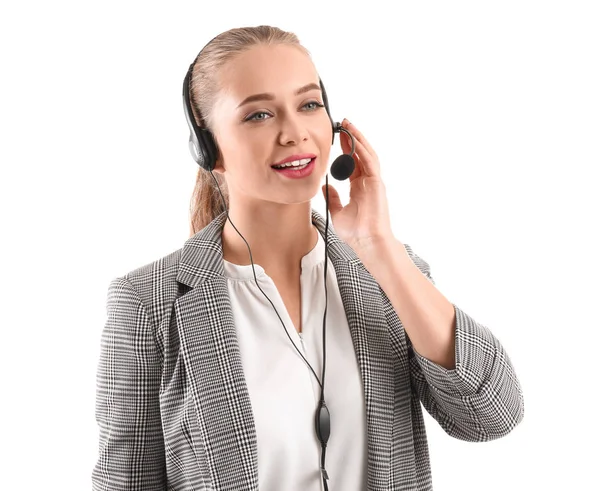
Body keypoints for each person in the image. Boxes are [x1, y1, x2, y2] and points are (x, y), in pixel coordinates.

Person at [92, 25, 524, 491]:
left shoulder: (389, 274)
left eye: (309, 104)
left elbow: (492, 415)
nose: (294, 133)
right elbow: (125, 482)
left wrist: (380, 248)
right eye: (258, 114)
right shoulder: (148, 302)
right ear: (209, 149)